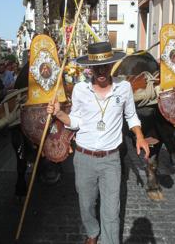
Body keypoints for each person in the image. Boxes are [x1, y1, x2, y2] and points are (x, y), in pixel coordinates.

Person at [47, 42, 150, 244]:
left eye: (105, 66)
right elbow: (75, 122)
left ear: (111, 65)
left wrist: (139, 135)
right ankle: (92, 232)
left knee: (112, 210)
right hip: (84, 158)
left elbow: (131, 116)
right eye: (97, 67)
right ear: (90, 68)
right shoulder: (80, 89)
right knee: (86, 204)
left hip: (111, 159)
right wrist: (59, 113)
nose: (101, 71)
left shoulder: (124, 87)